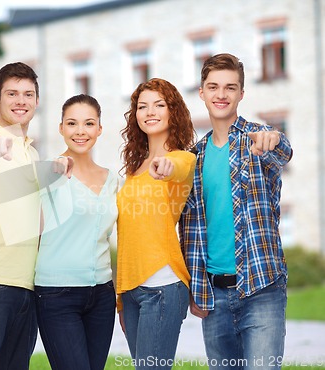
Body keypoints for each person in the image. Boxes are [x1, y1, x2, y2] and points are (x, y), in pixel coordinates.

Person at [0, 62, 71, 370]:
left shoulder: (31, 154)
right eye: (12, 94)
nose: (21, 101)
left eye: (28, 94)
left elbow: (38, 222)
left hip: (26, 286)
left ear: (36, 101)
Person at [179, 53, 293, 370]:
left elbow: (282, 150)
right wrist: (195, 289)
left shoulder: (257, 139)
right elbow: (190, 232)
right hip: (213, 296)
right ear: (201, 92)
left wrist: (273, 139)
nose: (221, 94)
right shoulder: (194, 158)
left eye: (230, 87)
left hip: (261, 288)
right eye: (213, 87)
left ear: (241, 93)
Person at [116, 78, 196, 369]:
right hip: (132, 291)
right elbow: (127, 234)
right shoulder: (134, 169)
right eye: (142, 106)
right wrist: (122, 298)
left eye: (159, 105)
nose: (150, 111)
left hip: (163, 287)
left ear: (172, 111)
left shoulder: (182, 159)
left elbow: (179, 168)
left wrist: (166, 166)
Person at [34, 94, 118, 370]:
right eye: (72, 123)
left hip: (102, 296)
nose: (80, 131)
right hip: (57, 294)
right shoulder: (50, 173)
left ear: (99, 129)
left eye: (88, 123)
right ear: (61, 128)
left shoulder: (114, 180)